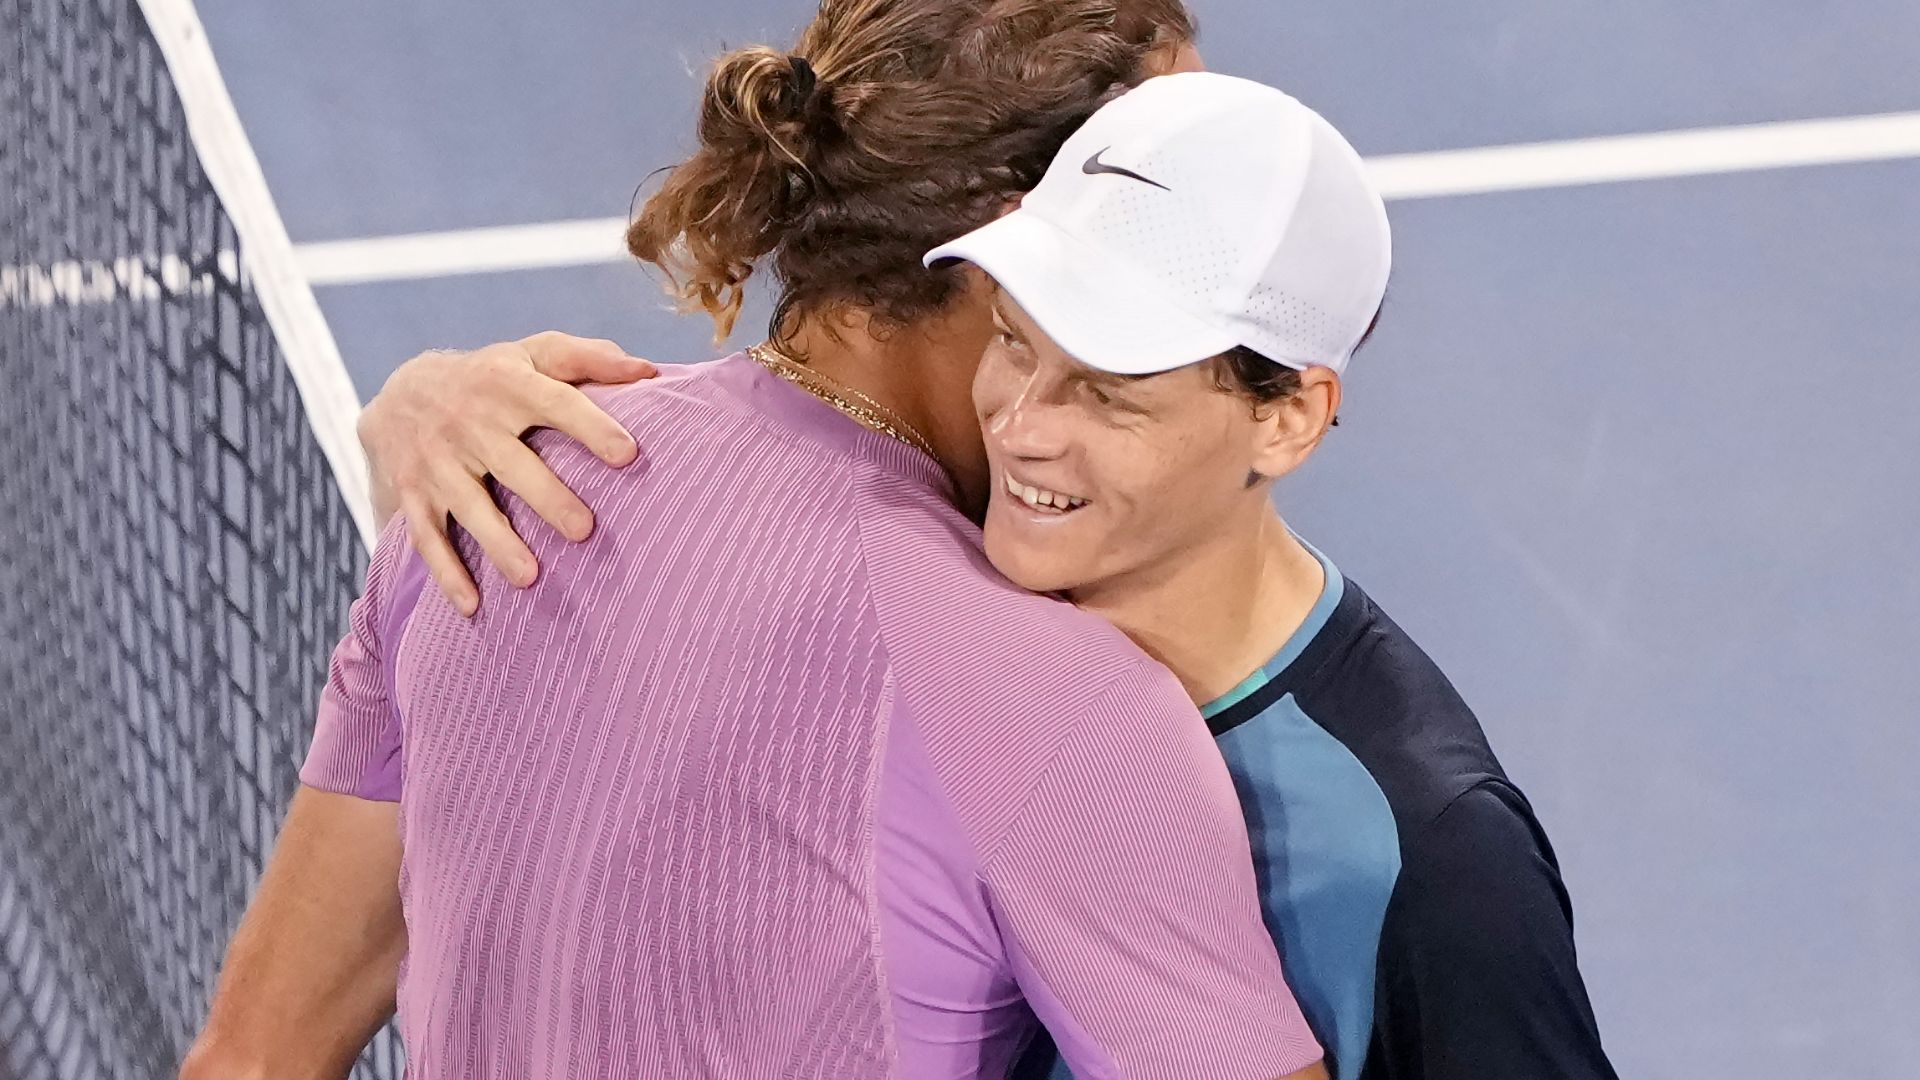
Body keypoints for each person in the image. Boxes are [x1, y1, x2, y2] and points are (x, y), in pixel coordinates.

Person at [364, 75, 1620, 1080]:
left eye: (1109, 398)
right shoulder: (955, 616)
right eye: (1013, 345)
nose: (1021, 427)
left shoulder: (1431, 858)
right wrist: (426, 397)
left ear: (1288, 418)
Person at [183, 3, 1327, 1079]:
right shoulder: (1067, 704)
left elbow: (251, 1058)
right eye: (1169, 196)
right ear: (1018, 247)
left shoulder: (482, 487)